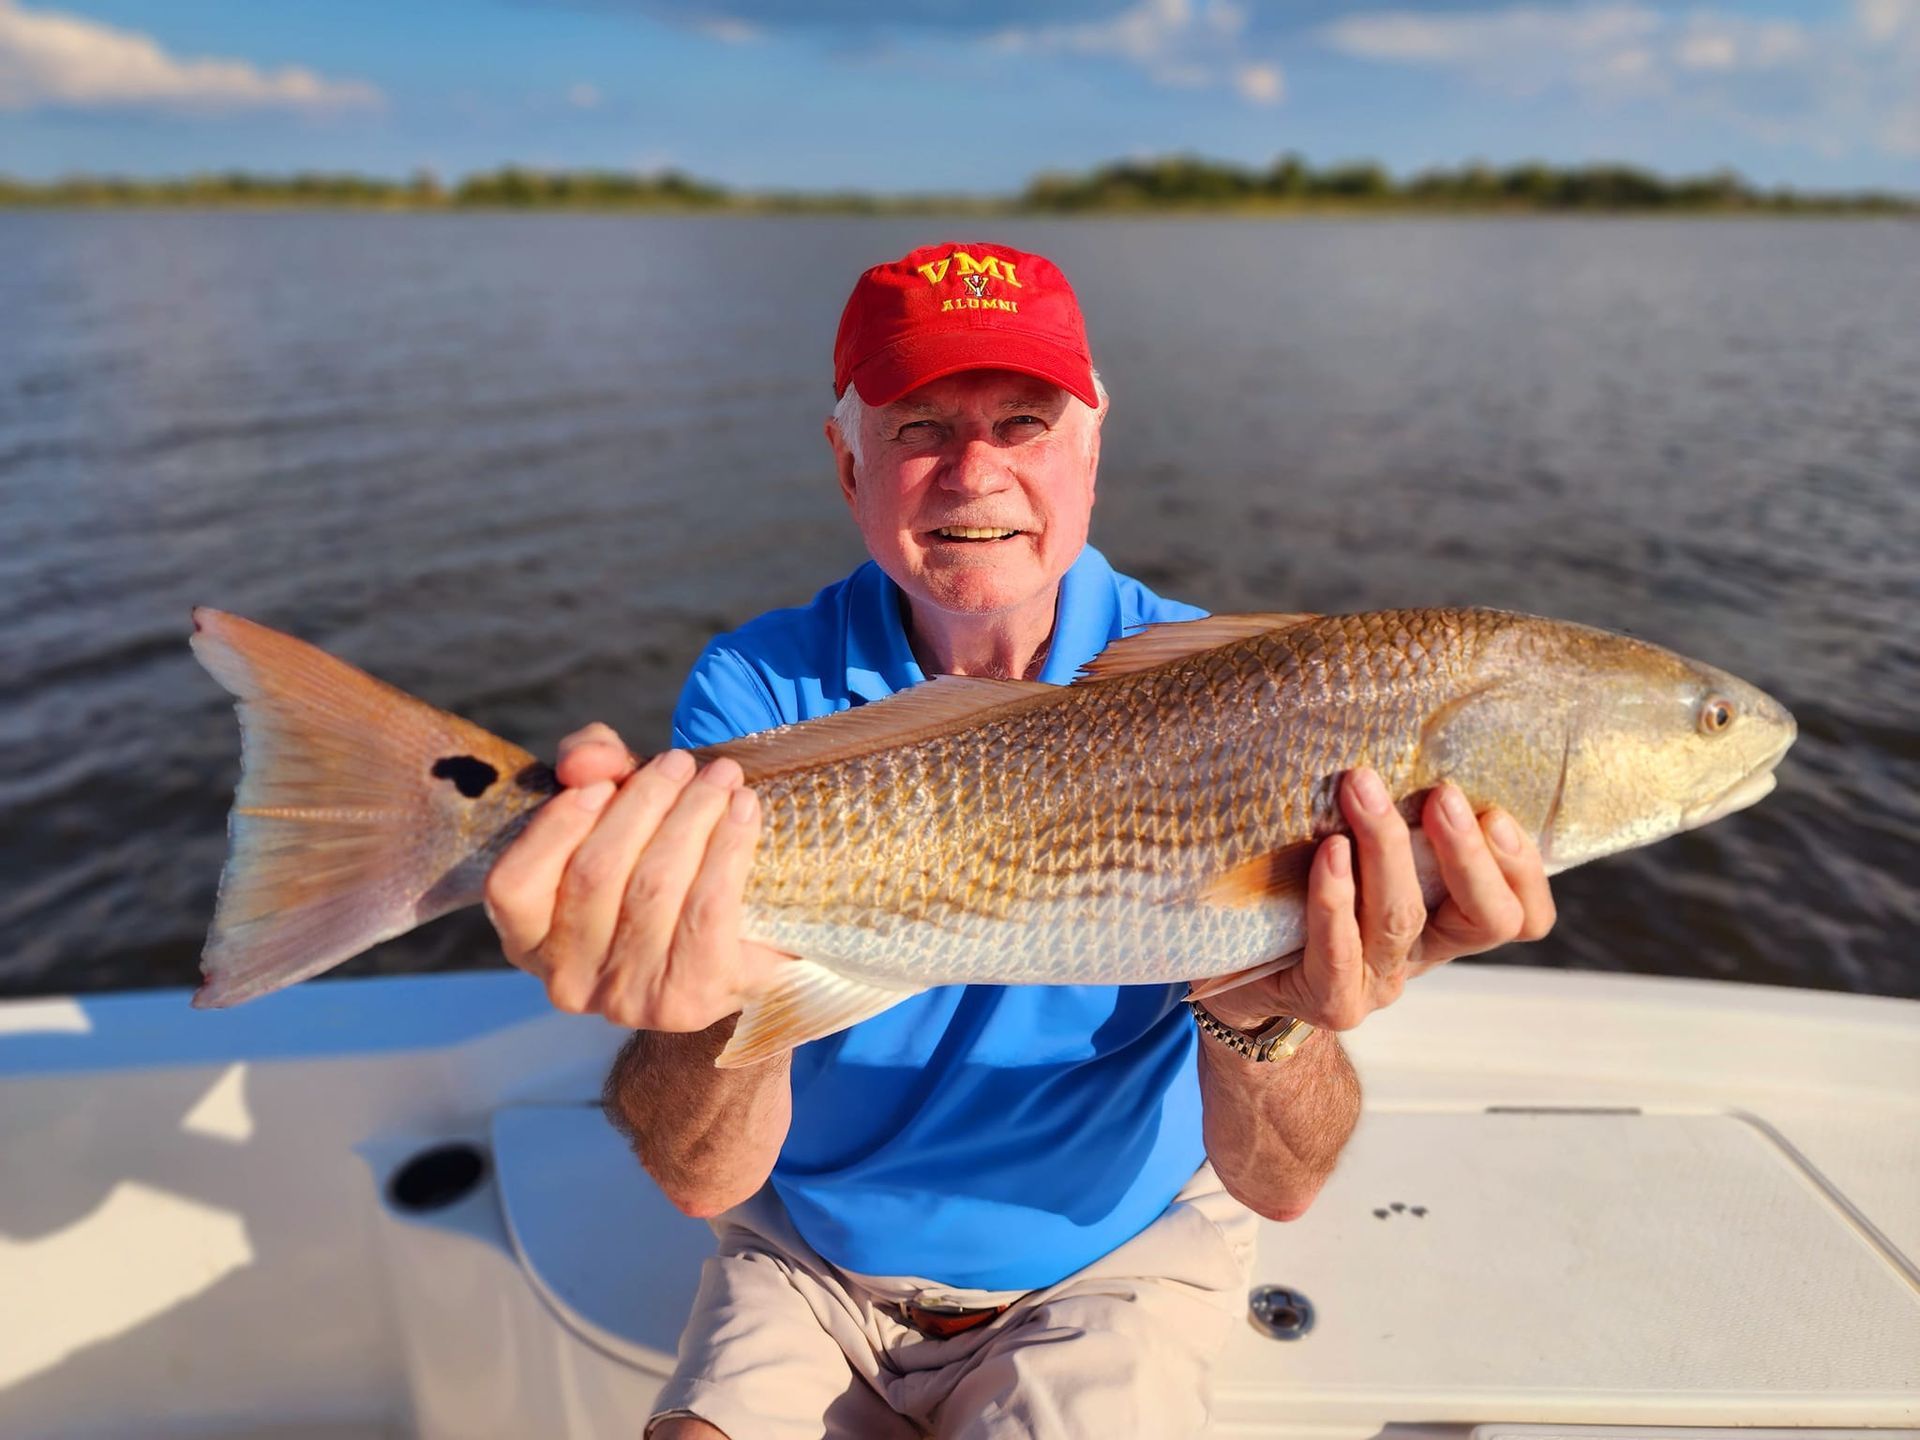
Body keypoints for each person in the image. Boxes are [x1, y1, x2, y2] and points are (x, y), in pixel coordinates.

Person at [482, 241, 1557, 1439]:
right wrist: (703, 999)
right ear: (848, 462)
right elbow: (700, 1179)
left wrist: (1272, 1008)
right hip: (807, 1259)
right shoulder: (758, 688)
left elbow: (1283, 1186)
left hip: (1111, 1272)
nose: (974, 473)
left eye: (1025, 422)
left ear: (1093, 444)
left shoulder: (1241, 688)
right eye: (920, 427)